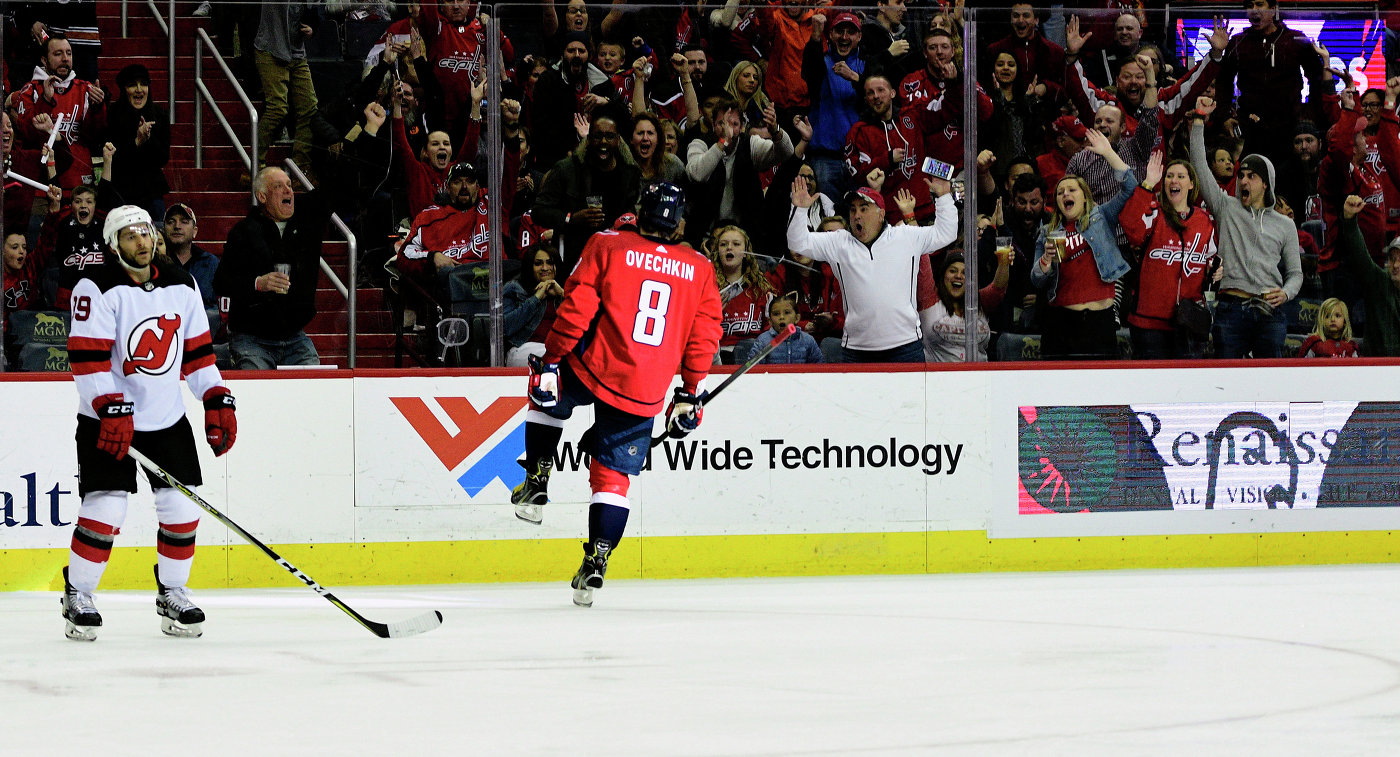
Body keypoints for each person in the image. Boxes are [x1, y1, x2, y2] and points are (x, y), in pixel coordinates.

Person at [508, 182, 722, 609]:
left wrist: (551, 359)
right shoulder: (700, 267)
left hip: (594, 364)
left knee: (547, 398)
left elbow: (576, 307)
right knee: (612, 478)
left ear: (641, 211)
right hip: (644, 390)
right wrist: (689, 391)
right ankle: (597, 560)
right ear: (679, 222)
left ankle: (537, 478)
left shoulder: (607, 244)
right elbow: (704, 336)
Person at [60, 205, 237, 641]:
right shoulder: (96, 286)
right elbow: (86, 358)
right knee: (105, 506)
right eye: (130, 235)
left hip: (165, 418)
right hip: (107, 418)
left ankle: (172, 591)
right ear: (113, 243)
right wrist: (108, 405)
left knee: (181, 508)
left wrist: (215, 397)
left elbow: (198, 354)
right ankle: (78, 594)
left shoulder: (182, 283)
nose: (141, 241)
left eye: (145, 232)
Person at [788, 179, 958, 363]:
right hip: (857, 350)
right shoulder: (837, 243)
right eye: (852, 210)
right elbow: (798, 243)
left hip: (905, 346)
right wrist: (799, 210)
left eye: (863, 208)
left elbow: (946, 233)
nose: (856, 215)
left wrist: (943, 197)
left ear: (881, 214)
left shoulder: (906, 236)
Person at [1189, 97, 1302, 359]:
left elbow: (1296, 273)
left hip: (1269, 310)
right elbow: (1199, 165)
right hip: (1231, 307)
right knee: (1226, 387)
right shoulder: (1226, 206)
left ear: (1266, 184)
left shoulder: (1285, 224)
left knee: (1270, 389)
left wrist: (1285, 293)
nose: (1243, 181)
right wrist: (1198, 120)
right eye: (1242, 176)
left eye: (1251, 176)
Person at [1031, 130, 1136, 361]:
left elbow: (1130, 187)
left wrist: (1108, 153)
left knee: (1102, 394)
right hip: (1061, 322)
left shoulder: (1102, 216)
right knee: (1060, 396)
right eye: (1060, 192)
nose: (1065, 194)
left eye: (1071, 190)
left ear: (1085, 197)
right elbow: (1037, 279)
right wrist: (1046, 261)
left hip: (1101, 321)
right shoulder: (1047, 233)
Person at [213, 167, 330, 369]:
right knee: (255, 384)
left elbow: (337, 188)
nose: (288, 191)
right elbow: (222, 282)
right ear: (262, 196)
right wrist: (258, 283)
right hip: (251, 338)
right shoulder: (243, 232)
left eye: (289, 185)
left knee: (315, 389)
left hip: (295, 337)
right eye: (278, 186)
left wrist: (367, 135)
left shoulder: (307, 221)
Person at [1117, 152, 1218, 360]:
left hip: (1188, 323)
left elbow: (1210, 258)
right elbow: (1130, 226)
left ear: (1191, 184)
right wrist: (1147, 184)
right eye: (1169, 176)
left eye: (1181, 176)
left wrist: (1215, 269)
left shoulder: (1204, 221)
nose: (1174, 180)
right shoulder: (1154, 212)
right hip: (1149, 324)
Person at [7, 33, 107, 194]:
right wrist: (45, 100)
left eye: (68, 53)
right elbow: (27, 135)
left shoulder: (86, 90)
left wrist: (97, 108)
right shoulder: (30, 90)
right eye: (58, 53)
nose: (65, 58)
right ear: (44, 60)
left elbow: (95, 137)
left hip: (79, 188)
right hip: (40, 187)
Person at [253, 2, 320, 176]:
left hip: (297, 53)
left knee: (309, 108)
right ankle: (253, 163)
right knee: (277, 109)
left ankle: (300, 169)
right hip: (271, 50)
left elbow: (315, 12)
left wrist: (312, 28)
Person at [101, 64, 170, 221]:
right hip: (121, 193)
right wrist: (137, 142)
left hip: (151, 193)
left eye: (144, 84)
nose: (139, 89)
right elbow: (113, 159)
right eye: (132, 85)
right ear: (124, 89)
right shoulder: (112, 114)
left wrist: (148, 139)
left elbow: (163, 158)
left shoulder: (159, 114)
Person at [920, 248, 1010, 362]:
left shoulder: (979, 301)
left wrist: (1004, 263)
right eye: (952, 271)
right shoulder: (929, 299)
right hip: (941, 377)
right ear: (943, 275)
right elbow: (923, 262)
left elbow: (998, 288)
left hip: (979, 376)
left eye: (965, 272)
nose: (958, 276)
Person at [1336, 195, 1400, 356]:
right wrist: (1350, 220)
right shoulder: (1379, 281)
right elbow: (1360, 255)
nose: (1396, 265)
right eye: (1392, 259)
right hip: (1376, 370)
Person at [707, 224, 777, 364]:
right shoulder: (706, 288)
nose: (729, 248)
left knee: (747, 346)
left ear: (746, 252)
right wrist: (711, 313)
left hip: (752, 358)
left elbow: (771, 333)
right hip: (715, 357)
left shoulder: (762, 290)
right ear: (717, 252)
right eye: (723, 244)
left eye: (736, 244)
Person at [502, 245, 565, 367]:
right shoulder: (514, 288)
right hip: (522, 349)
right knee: (557, 358)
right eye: (538, 264)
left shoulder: (565, 290)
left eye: (550, 263)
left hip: (558, 349)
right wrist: (536, 298)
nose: (545, 268)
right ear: (530, 267)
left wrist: (563, 295)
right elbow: (505, 328)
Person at [162, 203, 219, 311]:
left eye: (184, 222)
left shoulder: (211, 262)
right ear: (164, 230)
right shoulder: (156, 262)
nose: (177, 226)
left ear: (194, 231)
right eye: (170, 222)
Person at [746, 297, 823, 364]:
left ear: (797, 318)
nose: (782, 317)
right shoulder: (763, 341)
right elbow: (753, 370)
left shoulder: (808, 340)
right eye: (776, 314)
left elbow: (820, 368)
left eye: (787, 312)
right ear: (770, 321)